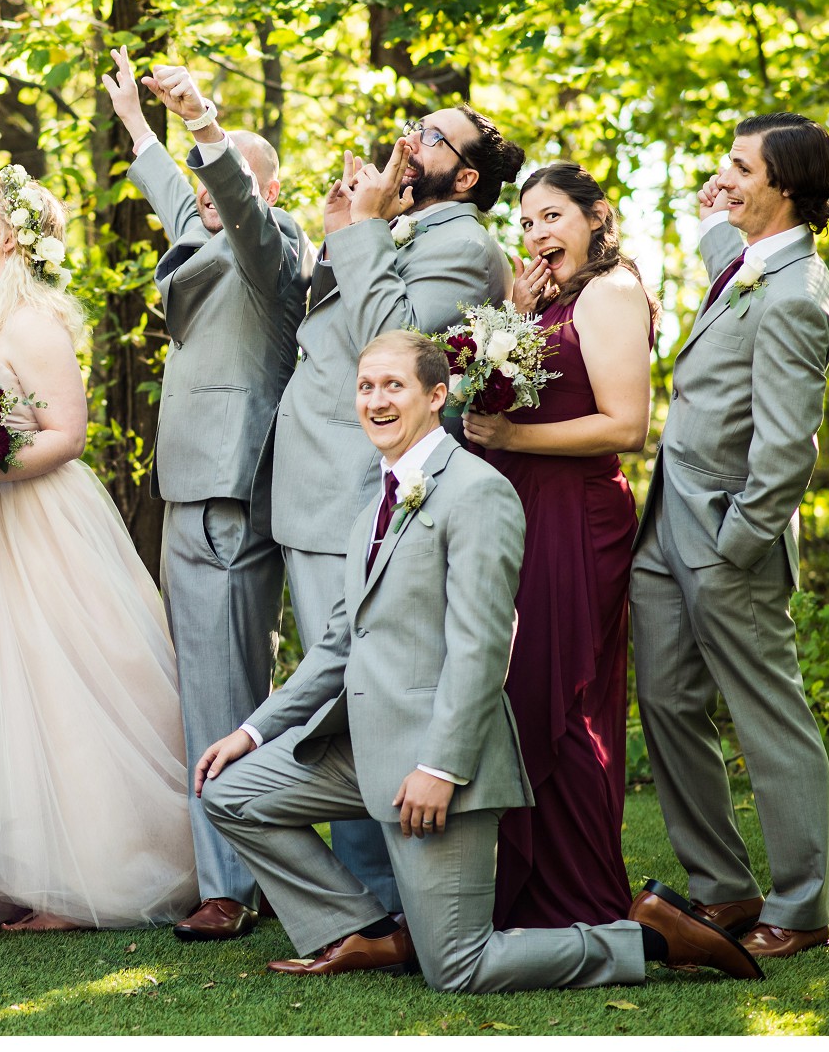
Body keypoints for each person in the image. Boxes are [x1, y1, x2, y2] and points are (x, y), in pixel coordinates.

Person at [195, 332, 763, 991]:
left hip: (442, 769)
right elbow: (337, 647)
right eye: (365, 386)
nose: (376, 400)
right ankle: (362, 930)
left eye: (393, 386)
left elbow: (485, 642)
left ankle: (647, 936)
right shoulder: (373, 506)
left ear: (437, 396)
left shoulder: (476, 491)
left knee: (458, 967)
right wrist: (252, 731)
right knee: (232, 791)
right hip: (366, 753)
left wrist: (440, 766)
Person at [0, 166, 198, 931]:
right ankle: (31, 871)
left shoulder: (32, 320)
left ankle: (89, 876)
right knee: (6, 693)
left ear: (11, 236)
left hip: (41, 518)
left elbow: (68, 435)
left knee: (65, 684)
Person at [262, 101, 520, 909]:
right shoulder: (398, 229)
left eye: (433, 138)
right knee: (341, 692)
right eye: (413, 126)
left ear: (466, 177)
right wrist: (350, 228)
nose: (410, 141)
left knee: (365, 697)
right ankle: (373, 900)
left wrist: (366, 228)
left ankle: (394, 901)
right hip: (317, 481)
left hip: (357, 484)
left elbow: (392, 347)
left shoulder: (465, 244)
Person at [103, 49, 308, 941]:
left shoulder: (274, 247)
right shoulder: (206, 240)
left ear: (257, 188)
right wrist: (142, 131)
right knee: (203, 686)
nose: (201, 194)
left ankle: (233, 883)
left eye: (219, 181)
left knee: (226, 688)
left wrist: (202, 125)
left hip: (230, 491)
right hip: (189, 486)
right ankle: (233, 862)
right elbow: (185, 204)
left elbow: (230, 207)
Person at [632, 113, 829, 959]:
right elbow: (724, 251)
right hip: (663, 527)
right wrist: (713, 210)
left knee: (769, 718)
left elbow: (788, 448)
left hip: (727, 541)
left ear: (785, 186)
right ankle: (722, 889)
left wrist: (736, 546)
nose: (727, 174)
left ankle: (801, 906)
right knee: (667, 702)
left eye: (740, 165)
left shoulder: (796, 293)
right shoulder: (752, 263)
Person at [461, 163, 657, 928]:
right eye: (528, 222)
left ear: (595, 216)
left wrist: (514, 435)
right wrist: (510, 317)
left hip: (575, 516)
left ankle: (582, 896)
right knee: (522, 692)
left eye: (552, 217)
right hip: (521, 511)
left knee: (564, 698)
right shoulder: (550, 300)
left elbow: (626, 425)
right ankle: (531, 888)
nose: (538, 234)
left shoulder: (610, 293)